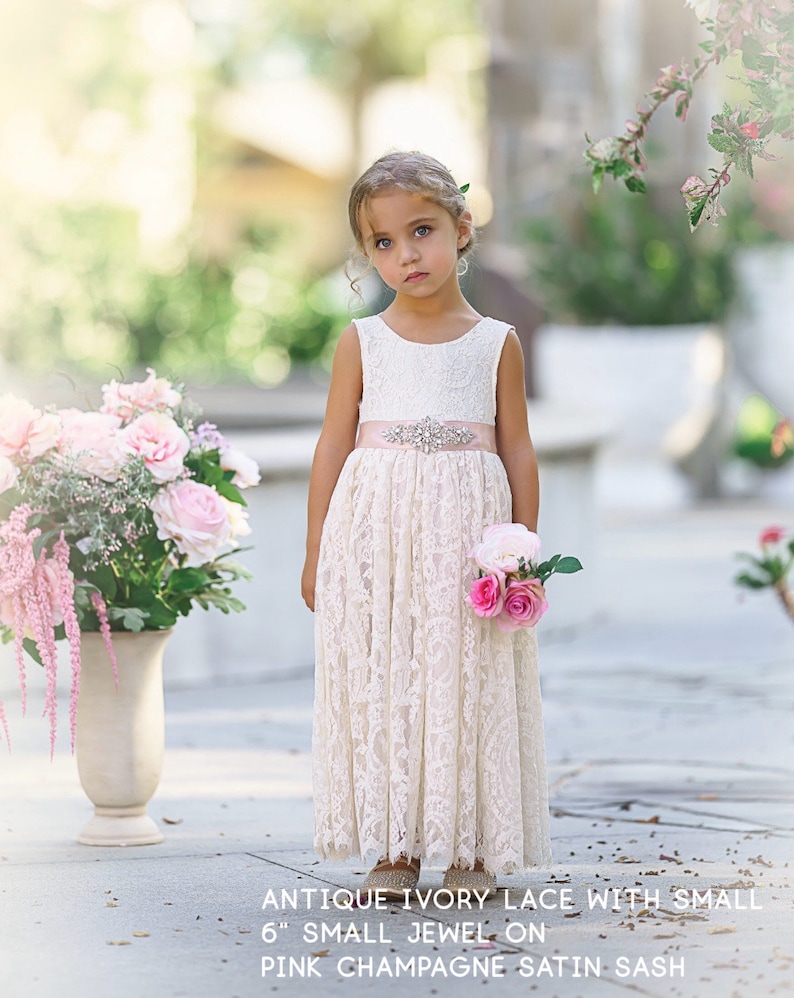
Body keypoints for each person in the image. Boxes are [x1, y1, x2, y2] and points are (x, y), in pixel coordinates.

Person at [301, 151, 552, 898]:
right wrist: (317, 553)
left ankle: (469, 848)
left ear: (461, 228)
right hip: (375, 529)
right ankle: (396, 848)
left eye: (421, 230)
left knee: (462, 677)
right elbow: (331, 446)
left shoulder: (495, 341)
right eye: (382, 242)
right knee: (390, 678)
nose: (405, 253)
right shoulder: (362, 341)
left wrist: (520, 555)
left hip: (466, 531)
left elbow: (518, 448)